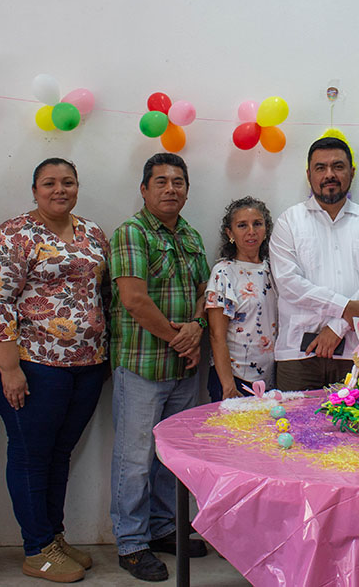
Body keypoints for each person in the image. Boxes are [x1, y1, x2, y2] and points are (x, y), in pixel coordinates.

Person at [0, 158, 110, 583]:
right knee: (32, 455)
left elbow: (102, 293)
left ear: (77, 186)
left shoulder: (92, 232)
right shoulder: (16, 234)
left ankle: (53, 536)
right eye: (49, 183)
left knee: (57, 453)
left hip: (86, 364)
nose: (59, 189)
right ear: (34, 190)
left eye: (68, 182)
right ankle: (37, 549)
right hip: (32, 364)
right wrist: (8, 368)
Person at [109, 153, 211, 583]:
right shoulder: (131, 233)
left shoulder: (190, 234)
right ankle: (131, 542)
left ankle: (166, 527)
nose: (171, 189)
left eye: (179, 182)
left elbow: (208, 290)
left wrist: (197, 327)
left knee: (173, 458)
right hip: (142, 366)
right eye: (162, 182)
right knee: (134, 459)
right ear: (145, 189)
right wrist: (181, 337)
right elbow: (133, 299)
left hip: (185, 369)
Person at [270, 137, 359, 391]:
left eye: (338, 166)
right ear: (308, 174)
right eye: (320, 168)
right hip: (297, 356)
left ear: (352, 172)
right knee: (294, 429)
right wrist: (344, 307)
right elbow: (288, 283)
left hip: (357, 353)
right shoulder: (288, 222)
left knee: (358, 429)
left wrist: (336, 329)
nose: (329, 174)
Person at [204, 196, 278, 400]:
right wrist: (228, 386)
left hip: (270, 378)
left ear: (266, 229)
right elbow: (216, 335)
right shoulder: (224, 273)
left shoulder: (274, 269)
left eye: (257, 224)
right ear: (230, 233)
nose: (251, 231)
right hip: (234, 379)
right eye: (242, 225)